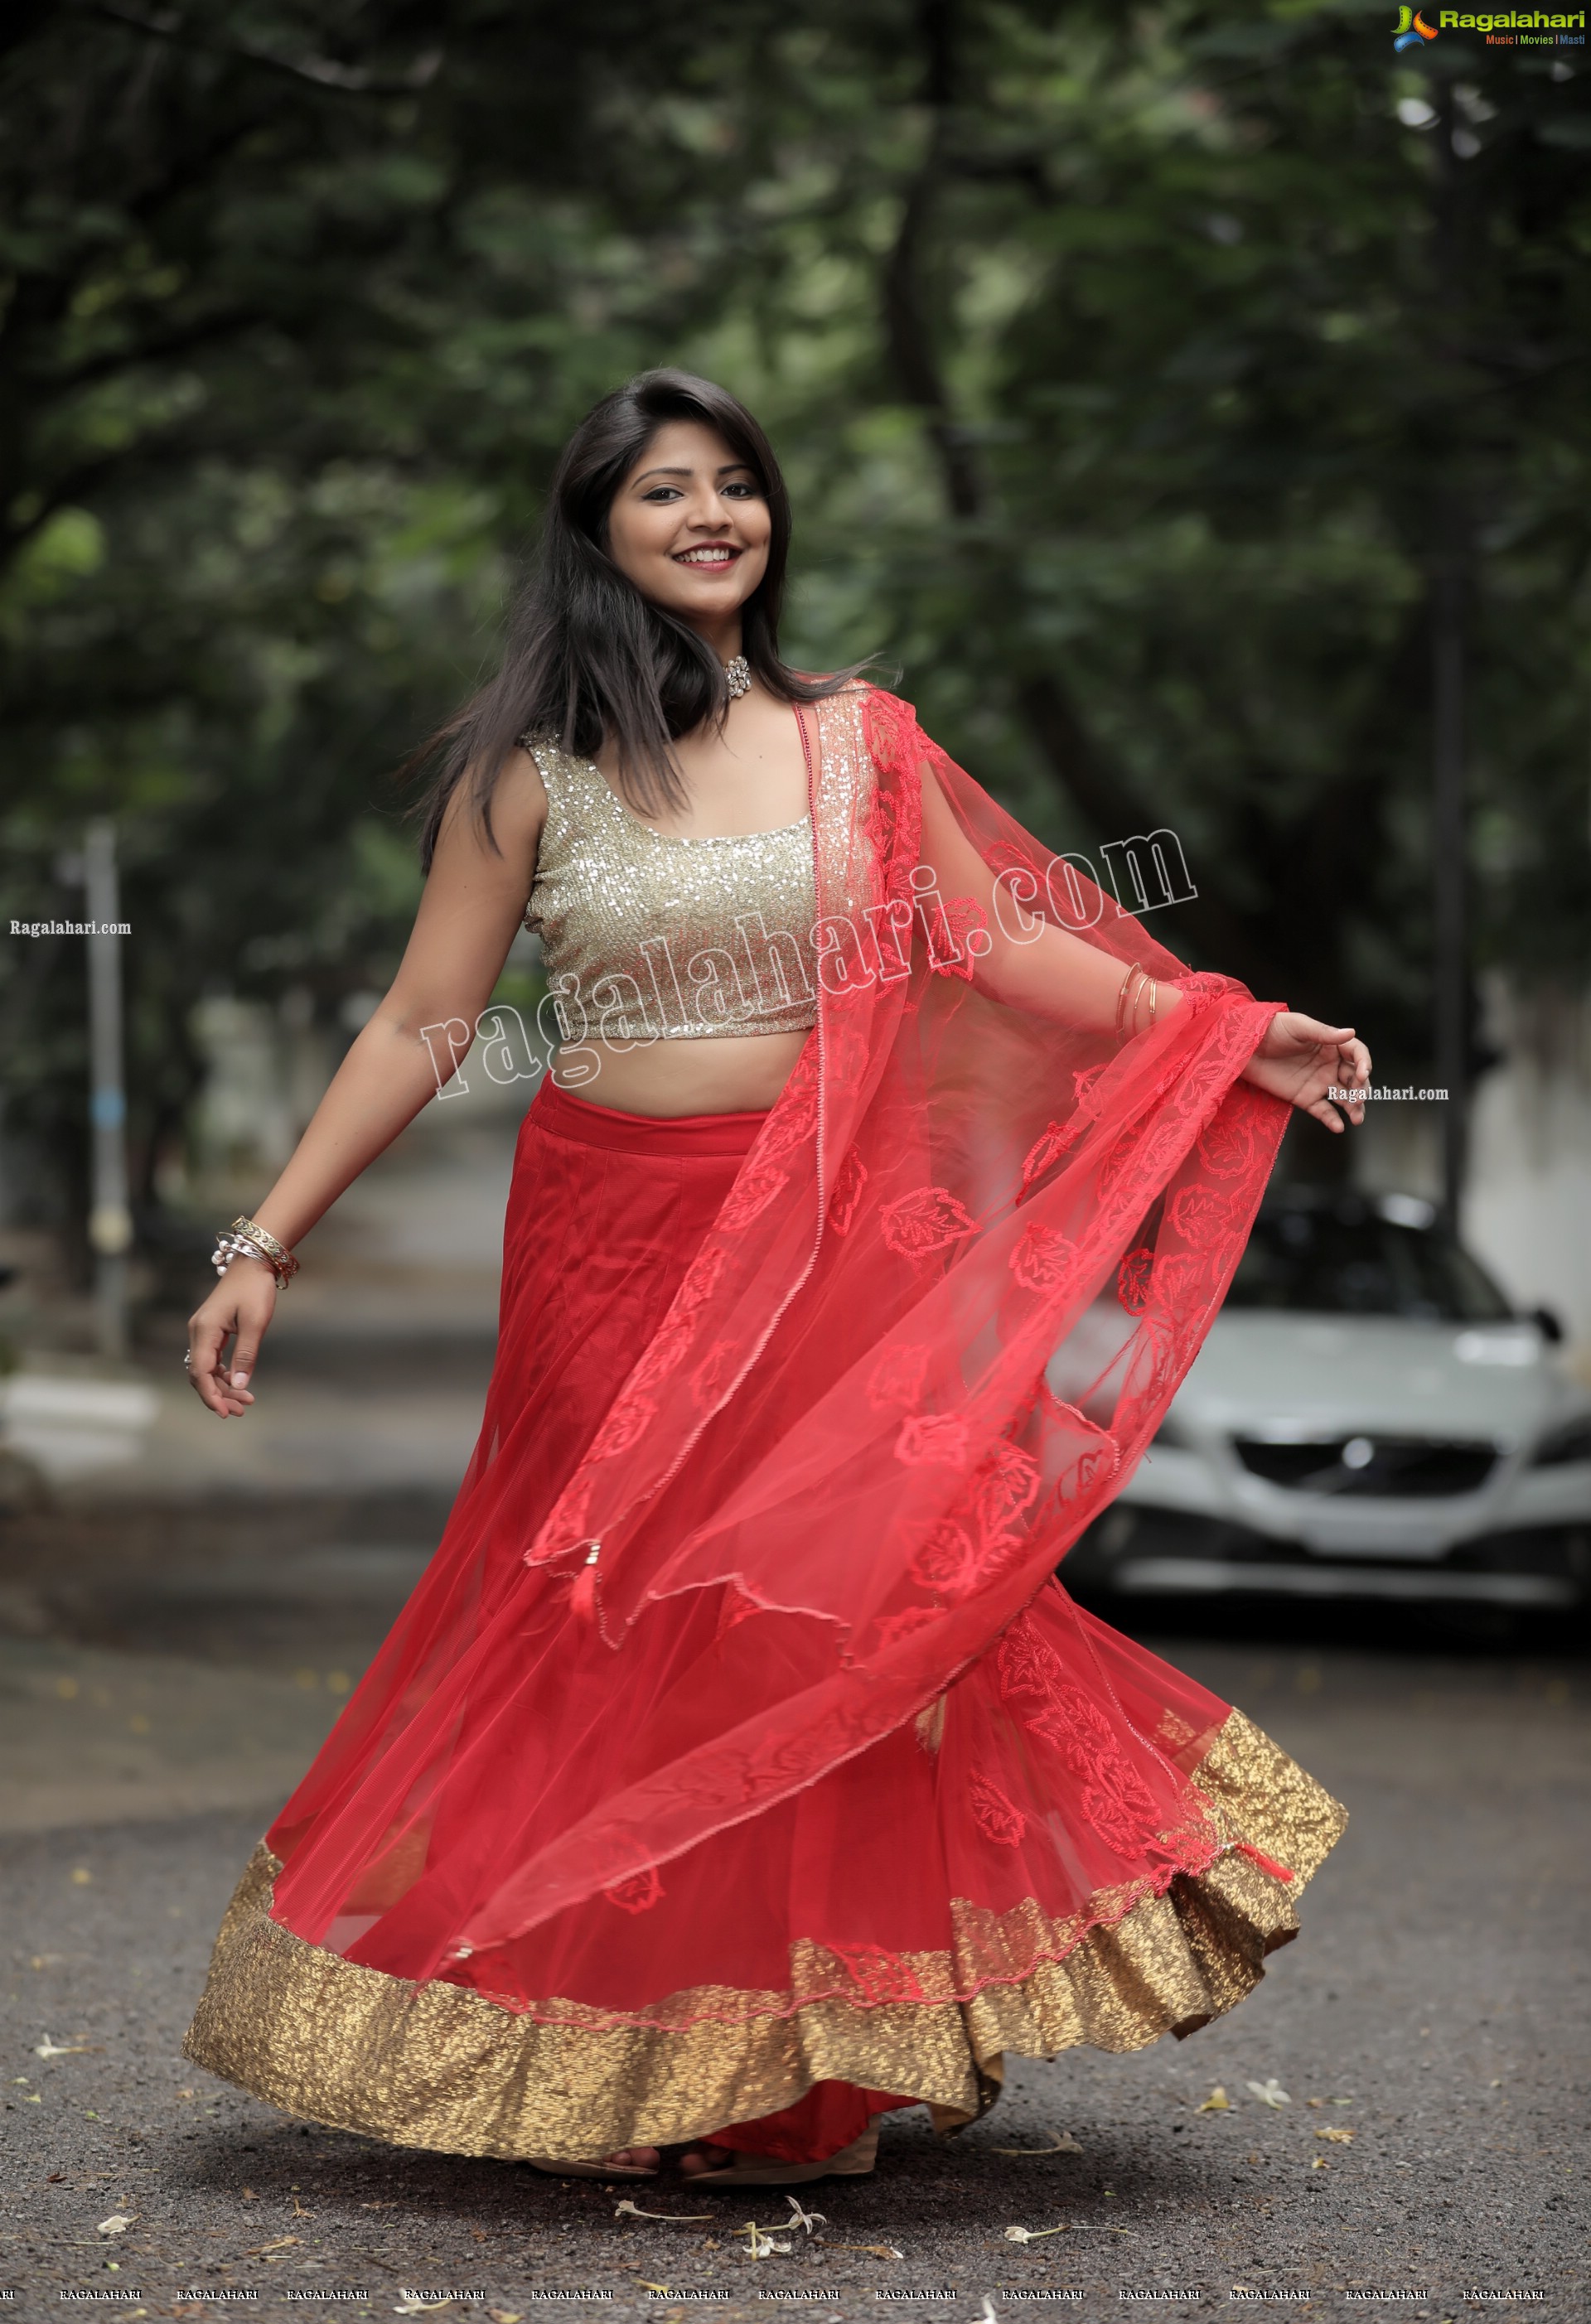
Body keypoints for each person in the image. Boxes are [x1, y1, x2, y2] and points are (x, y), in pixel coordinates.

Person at [183, 370, 1366, 2188]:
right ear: (598, 531)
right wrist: (266, 1239)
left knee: (827, 1610)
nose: (713, 514)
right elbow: (428, 1023)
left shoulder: (863, 741)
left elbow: (1001, 943)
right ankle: (643, 2039)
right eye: (667, 490)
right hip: (606, 1242)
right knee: (633, 1620)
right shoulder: (531, 777)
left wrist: (1225, 1029)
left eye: (738, 484)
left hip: (825, 1248)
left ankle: (801, 2056)